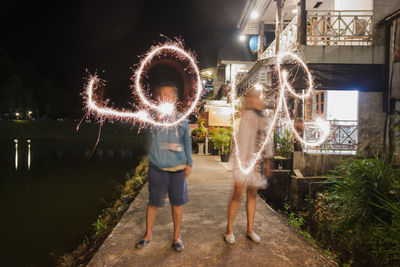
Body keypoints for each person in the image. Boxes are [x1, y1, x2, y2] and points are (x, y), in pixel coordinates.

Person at [135, 81, 192, 252]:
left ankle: (177, 237)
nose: (165, 98)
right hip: (157, 169)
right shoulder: (153, 118)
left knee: (177, 204)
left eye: (169, 95)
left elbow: (186, 142)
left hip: (177, 170)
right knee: (153, 203)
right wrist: (157, 119)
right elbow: (150, 138)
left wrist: (189, 163)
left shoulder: (182, 120)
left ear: (175, 99)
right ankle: (148, 234)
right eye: (162, 95)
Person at [224, 88, 274, 244]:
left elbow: (268, 140)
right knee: (237, 194)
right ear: (248, 100)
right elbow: (241, 141)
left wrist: (268, 162)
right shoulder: (246, 116)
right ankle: (229, 230)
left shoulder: (264, 118)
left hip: (257, 164)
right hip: (243, 162)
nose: (256, 100)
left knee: (252, 195)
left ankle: (250, 230)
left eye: (257, 97)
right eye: (252, 97)